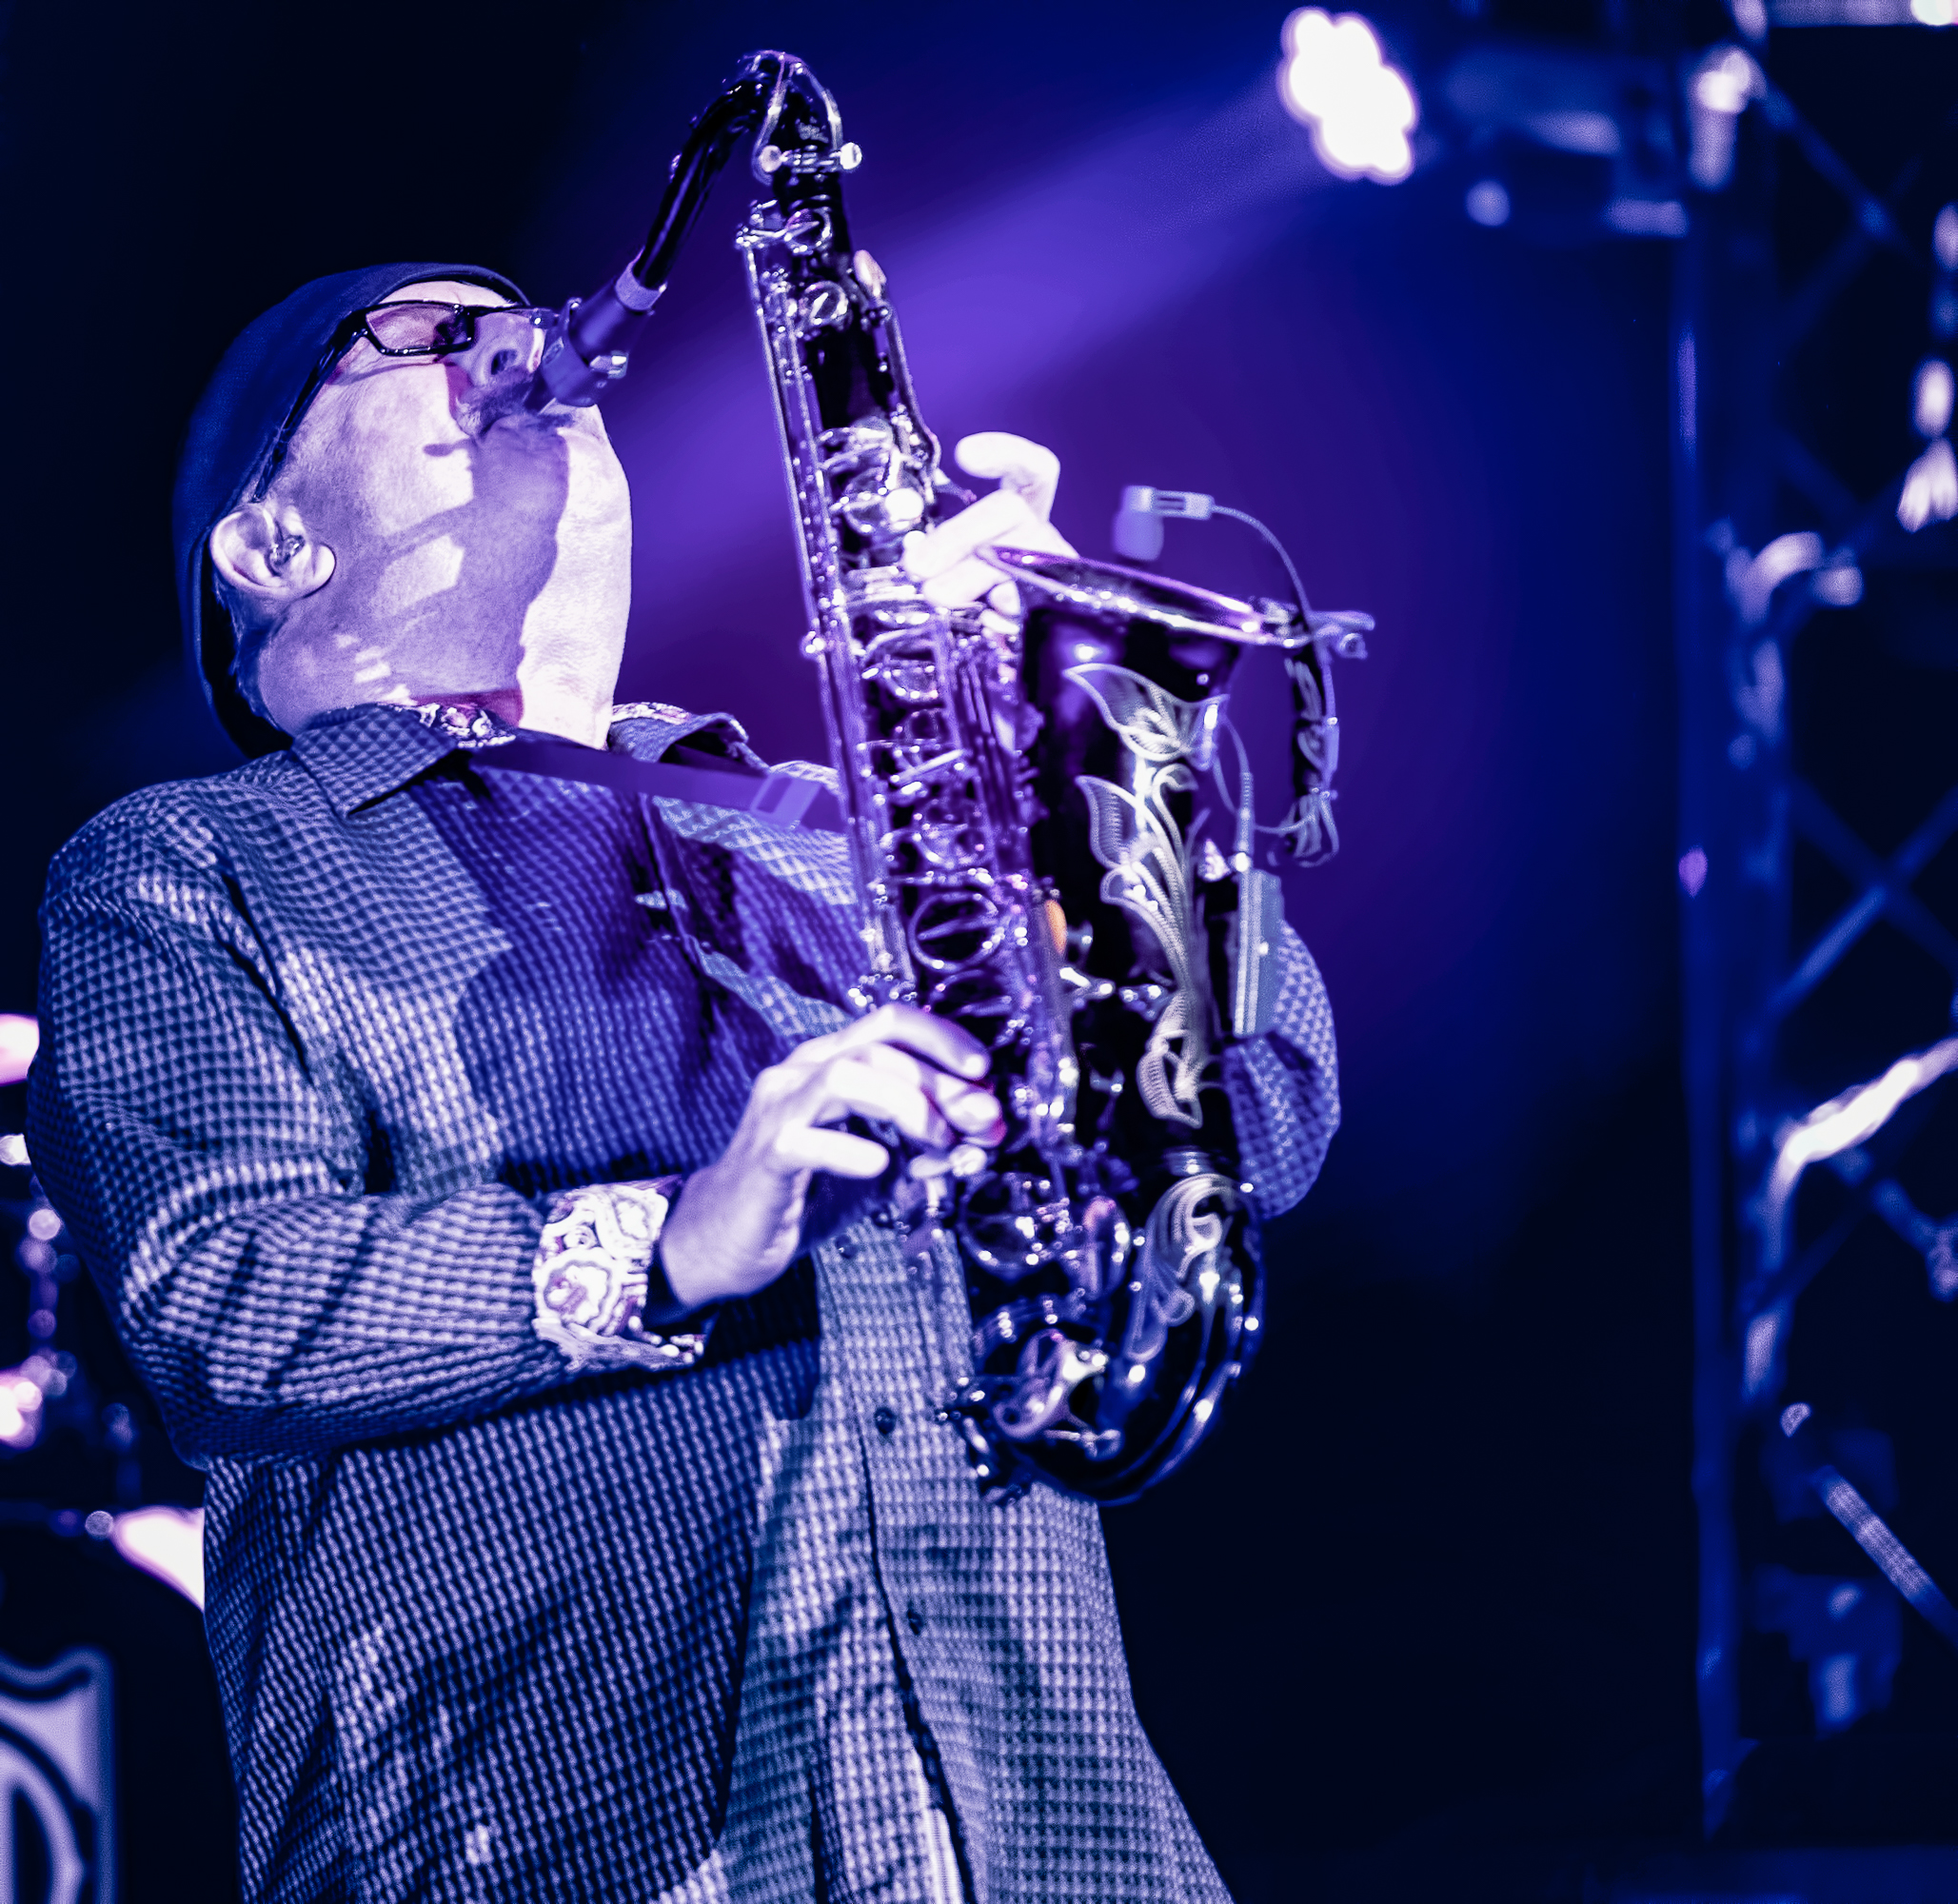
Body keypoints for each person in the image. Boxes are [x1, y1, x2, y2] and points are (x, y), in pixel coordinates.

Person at [28, 264, 1339, 1904]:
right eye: (432, 340)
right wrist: (676, 1238)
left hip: (1051, 1836)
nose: (520, 355)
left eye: (525, 334)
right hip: (540, 1843)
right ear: (272, 544)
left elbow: (1253, 1121)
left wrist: (1081, 738)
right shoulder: (184, 865)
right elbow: (220, 1301)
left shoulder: (837, 833)